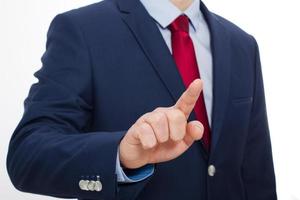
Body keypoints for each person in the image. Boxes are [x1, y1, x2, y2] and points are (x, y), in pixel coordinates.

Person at [6, 0, 277, 199]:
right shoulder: (82, 30)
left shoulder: (242, 45)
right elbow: (27, 154)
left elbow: (257, 175)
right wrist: (119, 154)